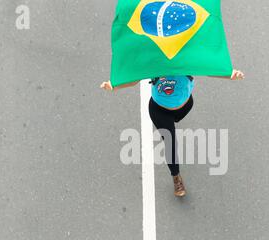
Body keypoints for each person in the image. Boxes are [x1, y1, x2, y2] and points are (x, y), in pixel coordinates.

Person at [100, 70, 244, 197]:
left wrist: (230, 75)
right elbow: (134, 80)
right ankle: (176, 178)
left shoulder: (185, 58)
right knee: (170, 143)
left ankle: (173, 124)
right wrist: (114, 86)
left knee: (175, 124)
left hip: (185, 106)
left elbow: (208, 68)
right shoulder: (154, 62)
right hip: (159, 111)